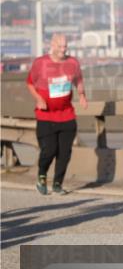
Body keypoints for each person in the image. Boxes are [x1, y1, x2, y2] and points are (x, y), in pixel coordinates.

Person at [25, 34, 87, 195]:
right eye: (60, 46)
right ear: (52, 45)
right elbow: (30, 83)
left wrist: (81, 95)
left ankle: (58, 184)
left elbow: (78, 80)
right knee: (49, 150)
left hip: (67, 115)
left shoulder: (72, 62)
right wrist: (38, 98)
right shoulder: (40, 63)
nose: (63, 50)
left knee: (65, 153)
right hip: (46, 116)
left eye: (65, 46)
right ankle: (42, 175)